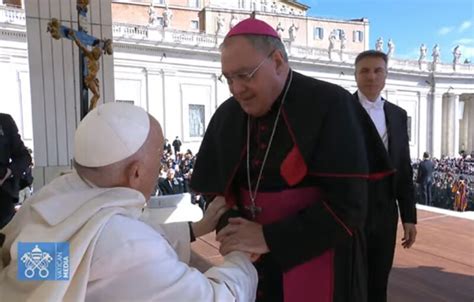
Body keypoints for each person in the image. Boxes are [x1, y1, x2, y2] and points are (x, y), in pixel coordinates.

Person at [0, 103, 257, 301]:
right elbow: (216, 297)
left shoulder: (52, 198)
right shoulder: (125, 243)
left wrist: (195, 229)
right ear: (135, 173)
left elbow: (72, 259)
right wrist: (240, 257)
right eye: (158, 160)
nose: (159, 169)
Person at [191, 18, 369, 302]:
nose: (236, 89)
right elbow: (213, 191)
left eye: (245, 75)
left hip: (317, 255)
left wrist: (270, 237)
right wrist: (234, 226)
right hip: (249, 261)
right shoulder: (227, 114)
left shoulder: (330, 103)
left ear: (277, 62)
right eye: (228, 78)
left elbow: (350, 205)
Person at [353, 50, 417, 302]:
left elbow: (403, 167)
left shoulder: (398, 115)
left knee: (379, 278)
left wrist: (409, 217)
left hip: (385, 211)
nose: (371, 76)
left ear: (386, 75)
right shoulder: (339, 110)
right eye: (365, 71)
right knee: (349, 277)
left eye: (378, 70)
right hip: (349, 208)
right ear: (355, 75)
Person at [0, 113, 32, 229]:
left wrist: (8, 171)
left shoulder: (4, 122)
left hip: (3, 197)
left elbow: (24, 157)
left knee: (8, 239)